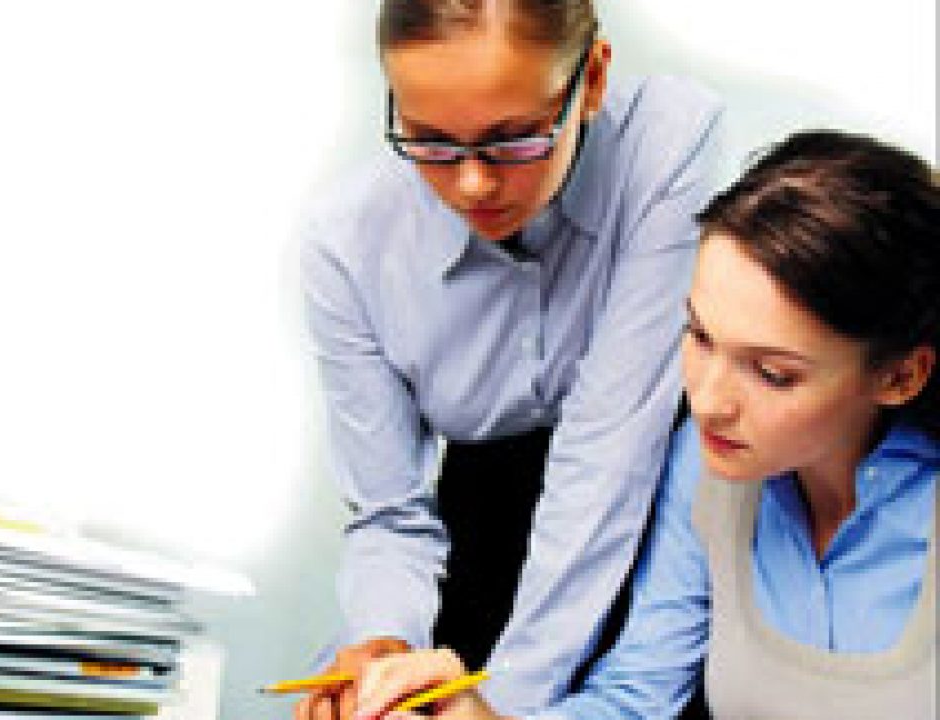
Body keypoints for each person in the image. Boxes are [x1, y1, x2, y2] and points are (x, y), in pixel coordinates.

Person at [350, 129, 939, 719]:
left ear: (901, 377)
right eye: (700, 336)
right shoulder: (705, 465)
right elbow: (638, 698)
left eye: (772, 373)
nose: (707, 400)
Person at [297, 0, 722, 717]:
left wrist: (503, 708)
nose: (472, 184)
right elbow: (390, 514)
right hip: (480, 531)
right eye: (430, 141)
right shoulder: (348, 243)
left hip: (652, 512)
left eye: (513, 141)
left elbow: (608, 455)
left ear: (592, 81)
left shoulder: (666, 140)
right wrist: (383, 649)